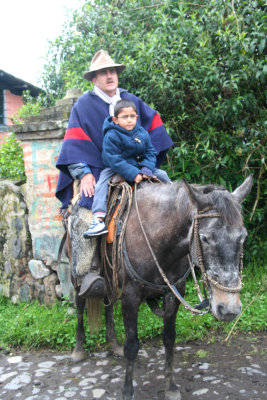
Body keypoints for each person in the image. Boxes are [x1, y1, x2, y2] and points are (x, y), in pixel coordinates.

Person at [55, 49, 173, 296]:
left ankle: (168, 269)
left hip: (137, 167)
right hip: (100, 170)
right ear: (93, 79)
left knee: (169, 200)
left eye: (112, 71)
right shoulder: (83, 106)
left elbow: (153, 126)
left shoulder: (131, 101)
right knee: (85, 213)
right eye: (103, 73)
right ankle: (89, 274)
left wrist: (146, 166)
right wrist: (85, 173)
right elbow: (74, 145)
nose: (109, 76)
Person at [84, 99, 171, 237]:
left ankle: (173, 202)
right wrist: (133, 174)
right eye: (125, 117)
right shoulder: (111, 135)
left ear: (136, 117)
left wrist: (147, 167)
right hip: (115, 167)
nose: (129, 120)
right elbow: (114, 158)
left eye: (132, 117)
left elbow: (150, 152)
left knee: (162, 174)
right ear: (116, 119)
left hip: (139, 165)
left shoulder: (142, 132)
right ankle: (98, 219)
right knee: (101, 185)